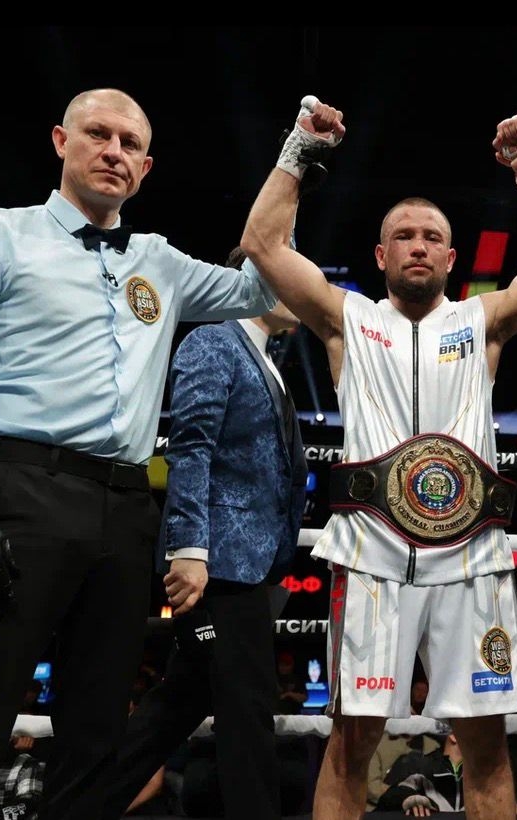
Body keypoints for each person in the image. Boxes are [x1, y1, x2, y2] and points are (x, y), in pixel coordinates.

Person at [0, 88, 275, 820]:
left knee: (97, 741)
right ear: (61, 141)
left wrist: (297, 160)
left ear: (146, 168)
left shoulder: (160, 261)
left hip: (127, 511)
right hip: (21, 494)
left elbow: (263, 283)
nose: (114, 152)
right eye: (99, 134)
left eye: (131, 144)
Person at [240, 96, 517, 820]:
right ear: (381, 256)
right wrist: (299, 149)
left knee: (487, 747)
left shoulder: (482, 321)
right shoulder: (346, 318)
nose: (418, 246)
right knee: (351, 744)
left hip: (471, 562)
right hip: (371, 559)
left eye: (432, 237)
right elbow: (262, 244)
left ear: (451, 257)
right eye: (403, 236)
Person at [102, 250, 306, 820]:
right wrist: (189, 550)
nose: (305, 286)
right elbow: (190, 449)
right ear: (255, 277)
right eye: (291, 271)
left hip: (245, 563)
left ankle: (74, 806)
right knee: (248, 708)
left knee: (178, 705)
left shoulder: (263, 357)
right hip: (218, 563)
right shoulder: (213, 342)